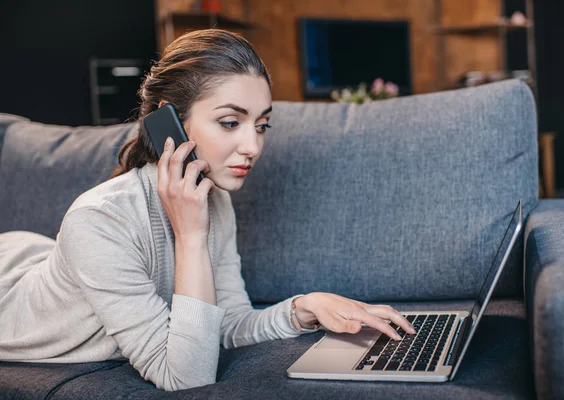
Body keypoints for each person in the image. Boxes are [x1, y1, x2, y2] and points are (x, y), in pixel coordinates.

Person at [0, 29, 415, 391]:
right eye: (231, 122)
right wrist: (191, 235)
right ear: (169, 122)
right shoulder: (100, 221)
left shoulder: (214, 197)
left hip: (43, 258)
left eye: (261, 125)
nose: (253, 147)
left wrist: (303, 308)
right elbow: (186, 378)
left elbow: (227, 324)